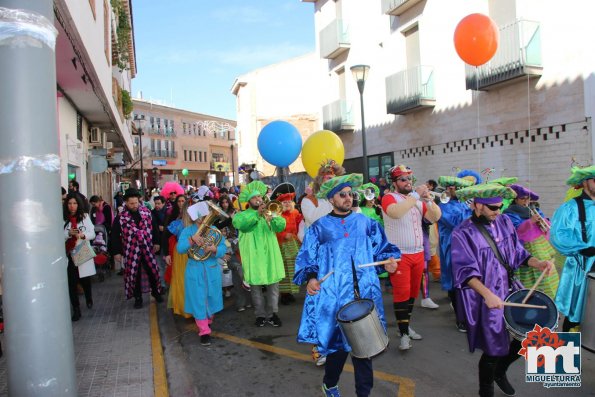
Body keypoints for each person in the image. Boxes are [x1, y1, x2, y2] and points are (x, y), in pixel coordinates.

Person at [294, 173, 400, 397]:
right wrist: (311, 278)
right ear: (331, 199)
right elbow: (307, 257)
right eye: (342, 195)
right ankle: (330, 384)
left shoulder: (365, 222)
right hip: (335, 296)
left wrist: (388, 263)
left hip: (364, 295)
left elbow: (381, 251)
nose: (348, 198)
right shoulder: (320, 227)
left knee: (365, 348)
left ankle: (364, 393)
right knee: (338, 349)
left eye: (350, 194)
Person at [451, 184, 553, 397]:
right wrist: (488, 295)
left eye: (500, 206)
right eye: (493, 208)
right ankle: (485, 389)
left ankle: (501, 370)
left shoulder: (505, 221)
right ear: (477, 205)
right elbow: (465, 273)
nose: (498, 212)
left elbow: (518, 253)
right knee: (493, 346)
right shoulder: (462, 233)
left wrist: (539, 263)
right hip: (485, 296)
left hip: (510, 288)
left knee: (529, 334)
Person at [381, 164, 441, 350]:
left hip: (417, 253)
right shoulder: (389, 197)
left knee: (412, 294)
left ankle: (404, 327)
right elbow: (396, 213)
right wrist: (415, 195)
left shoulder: (415, 200)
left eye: (409, 179)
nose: (407, 182)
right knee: (401, 293)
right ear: (395, 182)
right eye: (403, 179)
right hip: (400, 255)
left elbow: (435, 217)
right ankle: (404, 333)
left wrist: (429, 200)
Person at [233, 180, 286, 327]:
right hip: (254, 256)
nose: (258, 199)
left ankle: (273, 314)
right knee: (255, 287)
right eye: (255, 198)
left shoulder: (270, 211)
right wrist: (257, 213)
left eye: (260, 197)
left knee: (273, 286)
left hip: (270, 255)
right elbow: (241, 225)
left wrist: (272, 216)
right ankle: (260, 315)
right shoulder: (242, 215)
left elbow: (281, 226)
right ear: (248, 201)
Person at [177, 201, 227, 346]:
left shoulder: (214, 230)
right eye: (199, 217)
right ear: (193, 218)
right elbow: (180, 249)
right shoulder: (187, 231)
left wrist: (214, 249)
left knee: (212, 298)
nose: (202, 220)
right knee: (198, 300)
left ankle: (207, 321)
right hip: (194, 269)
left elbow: (223, 247)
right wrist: (191, 240)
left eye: (204, 216)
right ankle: (204, 330)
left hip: (211, 269)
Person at [551, 165, 595, 331]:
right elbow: (559, 235)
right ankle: (568, 356)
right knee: (573, 318)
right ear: (584, 182)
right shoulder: (570, 208)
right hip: (581, 270)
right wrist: (583, 248)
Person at [503, 184, 560, 299]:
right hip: (524, 248)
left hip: (541, 247)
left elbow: (546, 228)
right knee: (528, 279)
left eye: (527, 198)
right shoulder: (509, 213)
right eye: (522, 198)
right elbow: (515, 231)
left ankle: (550, 302)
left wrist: (543, 222)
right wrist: (530, 222)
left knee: (547, 273)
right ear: (515, 199)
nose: (526, 201)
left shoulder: (535, 209)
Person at [109, 188, 163, 309]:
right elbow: (114, 235)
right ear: (126, 203)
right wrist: (116, 252)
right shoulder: (121, 217)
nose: (134, 205)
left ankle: (156, 292)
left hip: (147, 247)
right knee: (134, 274)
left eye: (136, 202)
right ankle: (137, 298)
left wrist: (157, 242)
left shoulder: (147, 212)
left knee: (152, 271)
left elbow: (154, 227)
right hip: (131, 250)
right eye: (131, 203)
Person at [436, 174, 476, 331]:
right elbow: (455, 223)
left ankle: (470, 313)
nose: (449, 189)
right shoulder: (443, 205)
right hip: (452, 248)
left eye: (454, 186)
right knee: (456, 283)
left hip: (469, 247)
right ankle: (461, 319)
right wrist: (469, 207)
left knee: (470, 281)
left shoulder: (463, 203)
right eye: (449, 186)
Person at [63, 193, 96, 321]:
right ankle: (76, 309)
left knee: (85, 279)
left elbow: (92, 233)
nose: (72, 206)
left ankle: (89, 297)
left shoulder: (84, 217)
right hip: (68, 253)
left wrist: (82, 235)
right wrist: (67, 234)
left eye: (75, 203)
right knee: (72, 282)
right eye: (70, 203)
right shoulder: (62, 218)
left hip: (81, 249)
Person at [275, 191, 303, 305]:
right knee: (284, 270)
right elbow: (274, 230)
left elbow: (300, 225)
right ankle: (284, 294)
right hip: (281, 245)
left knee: (293, 270)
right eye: (284, 202)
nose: (287, 203)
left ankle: (290, 292)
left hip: (294, 244)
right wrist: (283, 235)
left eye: (289, 201)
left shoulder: (296, 212)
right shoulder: (277, 215)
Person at [152, 195, 168, 289]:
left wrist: (164, 228)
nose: (157, 205)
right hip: (157, 243)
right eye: (155, 203)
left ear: (163, 203)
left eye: (159, 203)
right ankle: (162, 285)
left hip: (166, 243)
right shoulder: (152, 213)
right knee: (159, 265)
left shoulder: (168, 213)